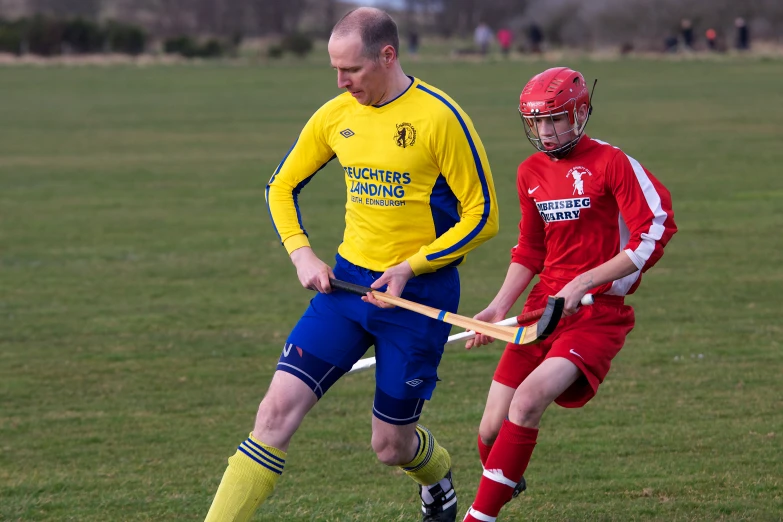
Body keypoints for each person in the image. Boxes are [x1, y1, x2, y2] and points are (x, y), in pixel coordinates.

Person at [204, 7, 499, 522]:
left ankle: (438, 474)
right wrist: (301, 253)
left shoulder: (440, 117)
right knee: (273, 415)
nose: (342, 82)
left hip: (419, 299)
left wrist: (413, 266)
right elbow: (281, 185)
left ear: (388, 56)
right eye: (335, 70)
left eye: (352, 70)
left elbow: (484, 216)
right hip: (344, 291)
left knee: (389, 446)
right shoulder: (336, 114)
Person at [461, 66, 677, 522]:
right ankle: (503, 478)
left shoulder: (612, 163)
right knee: (490, 429)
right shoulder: (530, 172)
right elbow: (530, 249)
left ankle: (479, 517)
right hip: (542, 310)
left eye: (554, 119)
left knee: (527, 400)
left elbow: (655, 230)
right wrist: (499, 306)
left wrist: (586, 281)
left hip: (597, 313)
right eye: (537, 122)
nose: (544, 131)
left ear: (579, 113)